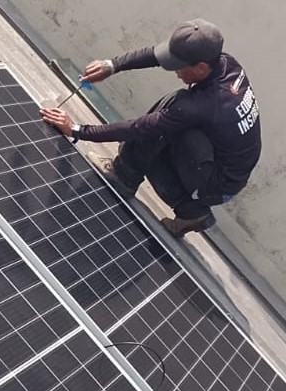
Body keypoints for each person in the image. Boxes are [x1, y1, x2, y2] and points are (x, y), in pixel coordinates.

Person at [39, 18, 261, 237]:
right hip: (222, 166)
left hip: (217, 184)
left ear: (201, 67)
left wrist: (77, 130)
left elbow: (140, 128)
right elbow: (156, 56)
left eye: (179, 66)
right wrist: (112, 65)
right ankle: (193, 212)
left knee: (160, 130)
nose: (175, 71)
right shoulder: (224, 63)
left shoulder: (205, 104)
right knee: (175, 111)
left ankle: (125, 176)